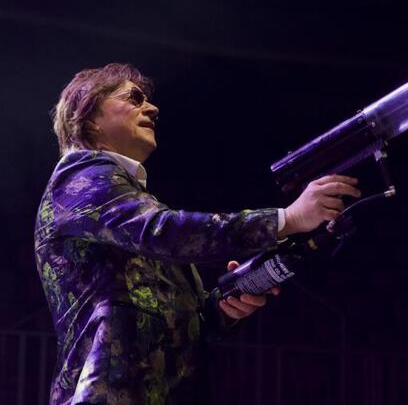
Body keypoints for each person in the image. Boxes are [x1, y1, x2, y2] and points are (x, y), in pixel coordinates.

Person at [34, 63, 361, 405]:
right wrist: (288, 218)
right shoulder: (80, 178)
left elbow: (174, 318)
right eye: (134, 98)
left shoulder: (125, 201)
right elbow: (164, 232)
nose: (152, 108)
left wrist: (223, 308)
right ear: (89, 116)